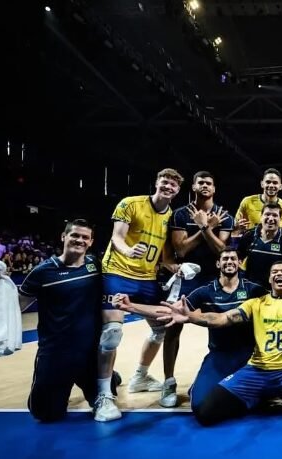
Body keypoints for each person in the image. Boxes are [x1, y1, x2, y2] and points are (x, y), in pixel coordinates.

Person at [158, 261, 282, 426]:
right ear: (270, 279)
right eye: (275, 272)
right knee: (205, 413)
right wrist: (192, 317)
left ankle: (276, 394)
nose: (279, 274)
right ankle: (255, 398)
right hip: (256, 371)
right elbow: (221, 319)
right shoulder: (256, 303)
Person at [0, 219, 119, 422]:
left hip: (91, 352)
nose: (80, 240)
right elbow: (15, 306)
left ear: (91, 242)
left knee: (106, 392)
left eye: (85, 237)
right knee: (45, 414)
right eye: (75, 235)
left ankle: (110, 377)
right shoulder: (42, 272)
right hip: (56, 352)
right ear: (64, 237)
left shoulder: (97, 266)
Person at [113, 248, 265, 415]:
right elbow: (170, 311)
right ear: (218, 264)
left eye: (233, 259)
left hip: (249, 356)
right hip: (219, 355)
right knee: (200, 405)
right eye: (225, 259)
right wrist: (131, 307)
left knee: (264, 400)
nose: (229, 262)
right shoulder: (206, 291)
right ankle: (203, 386)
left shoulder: (254, 290)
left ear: (239, 263)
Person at [98, 168, 184, 421]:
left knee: (163, 327)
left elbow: (166, 257)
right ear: (156, 183)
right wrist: (127, 251)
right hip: (117, 273)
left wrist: (179, 268)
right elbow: (117, 237)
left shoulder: (171, 216)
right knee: (111, 334)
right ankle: (103, 395)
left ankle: (140, 377)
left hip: (147, 278)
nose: (168, 187)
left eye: (173, 185)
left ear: (178, 190)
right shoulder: (131, 204)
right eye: (164, 182)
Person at [164, 171, 233, 407]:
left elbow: (222, 251)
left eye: (209, 183)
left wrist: (205, 227)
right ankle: (169, 382)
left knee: (224, 327)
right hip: (189, 278)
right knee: (173, 326)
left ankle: (222, 374)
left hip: (216, 278)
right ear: (193, 186)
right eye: (200, 182)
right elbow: (181, 250)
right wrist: (205, 228)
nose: (205, 185)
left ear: (214, 189)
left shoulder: (224, 215)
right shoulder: (180, 214)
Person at [233, 203, 282, 292]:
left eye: (275, 215)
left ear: (280, 219)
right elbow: (235, 260)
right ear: (261, 217)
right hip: (250, 291)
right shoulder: (249, 235)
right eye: (267, 214)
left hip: (275, 292)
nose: (271, 218)